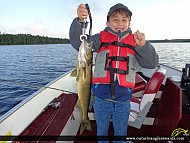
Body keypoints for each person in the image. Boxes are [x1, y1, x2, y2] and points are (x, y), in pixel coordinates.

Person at [69, 3, 159, 143]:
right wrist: (79, 21)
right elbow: (77, 42)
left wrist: (143, 45)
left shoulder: (135, 41)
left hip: (123, 99)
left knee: (120, 133)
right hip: (101, 98)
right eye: (115, 19)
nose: (120, 23)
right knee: (102, 132)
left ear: (129, 23)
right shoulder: (100, 39)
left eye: (124, 20)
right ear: (107, 22)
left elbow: (151, 63)